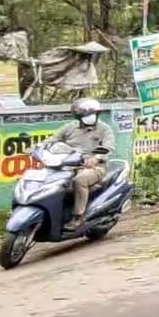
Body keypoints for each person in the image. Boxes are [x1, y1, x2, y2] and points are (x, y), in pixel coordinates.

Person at [46, 98, 115, 231]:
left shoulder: (104, 129)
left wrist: (97, 158)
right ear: (78, 117)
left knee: (79, 180)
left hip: (95, 167)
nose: (90, 118)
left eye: (93, 114)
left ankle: (78, 216)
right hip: (69, 165)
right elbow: (53, 140)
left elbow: (108, 147)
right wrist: (36, 147)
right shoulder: (70, 127)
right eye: (86, 115)